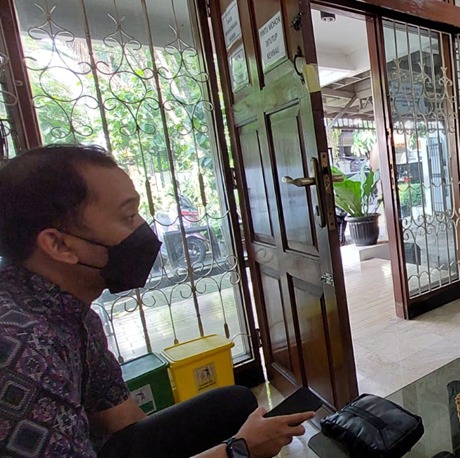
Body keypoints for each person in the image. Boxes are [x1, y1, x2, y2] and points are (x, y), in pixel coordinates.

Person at [0, 145, 314, 457]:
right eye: (128, 216)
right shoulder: (20, 348)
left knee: (235, 404)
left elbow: (122, 420)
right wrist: (237, 451)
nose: (143, 230)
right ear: (58, 244)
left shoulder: (71, 311)